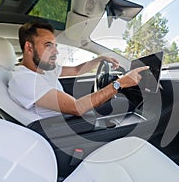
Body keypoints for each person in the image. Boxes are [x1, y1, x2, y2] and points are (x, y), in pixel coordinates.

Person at [8, 21, 149, 120]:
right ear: (29, 47)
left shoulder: (43, 69)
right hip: (65, 128)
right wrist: (119, 83)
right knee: (125, 106)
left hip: (68, 118)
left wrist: (99, 59)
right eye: (48, 45)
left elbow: (76, 70)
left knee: (121, 104)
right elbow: (77, 107)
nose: (56, 51)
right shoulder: (24, 79)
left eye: (55, 45)